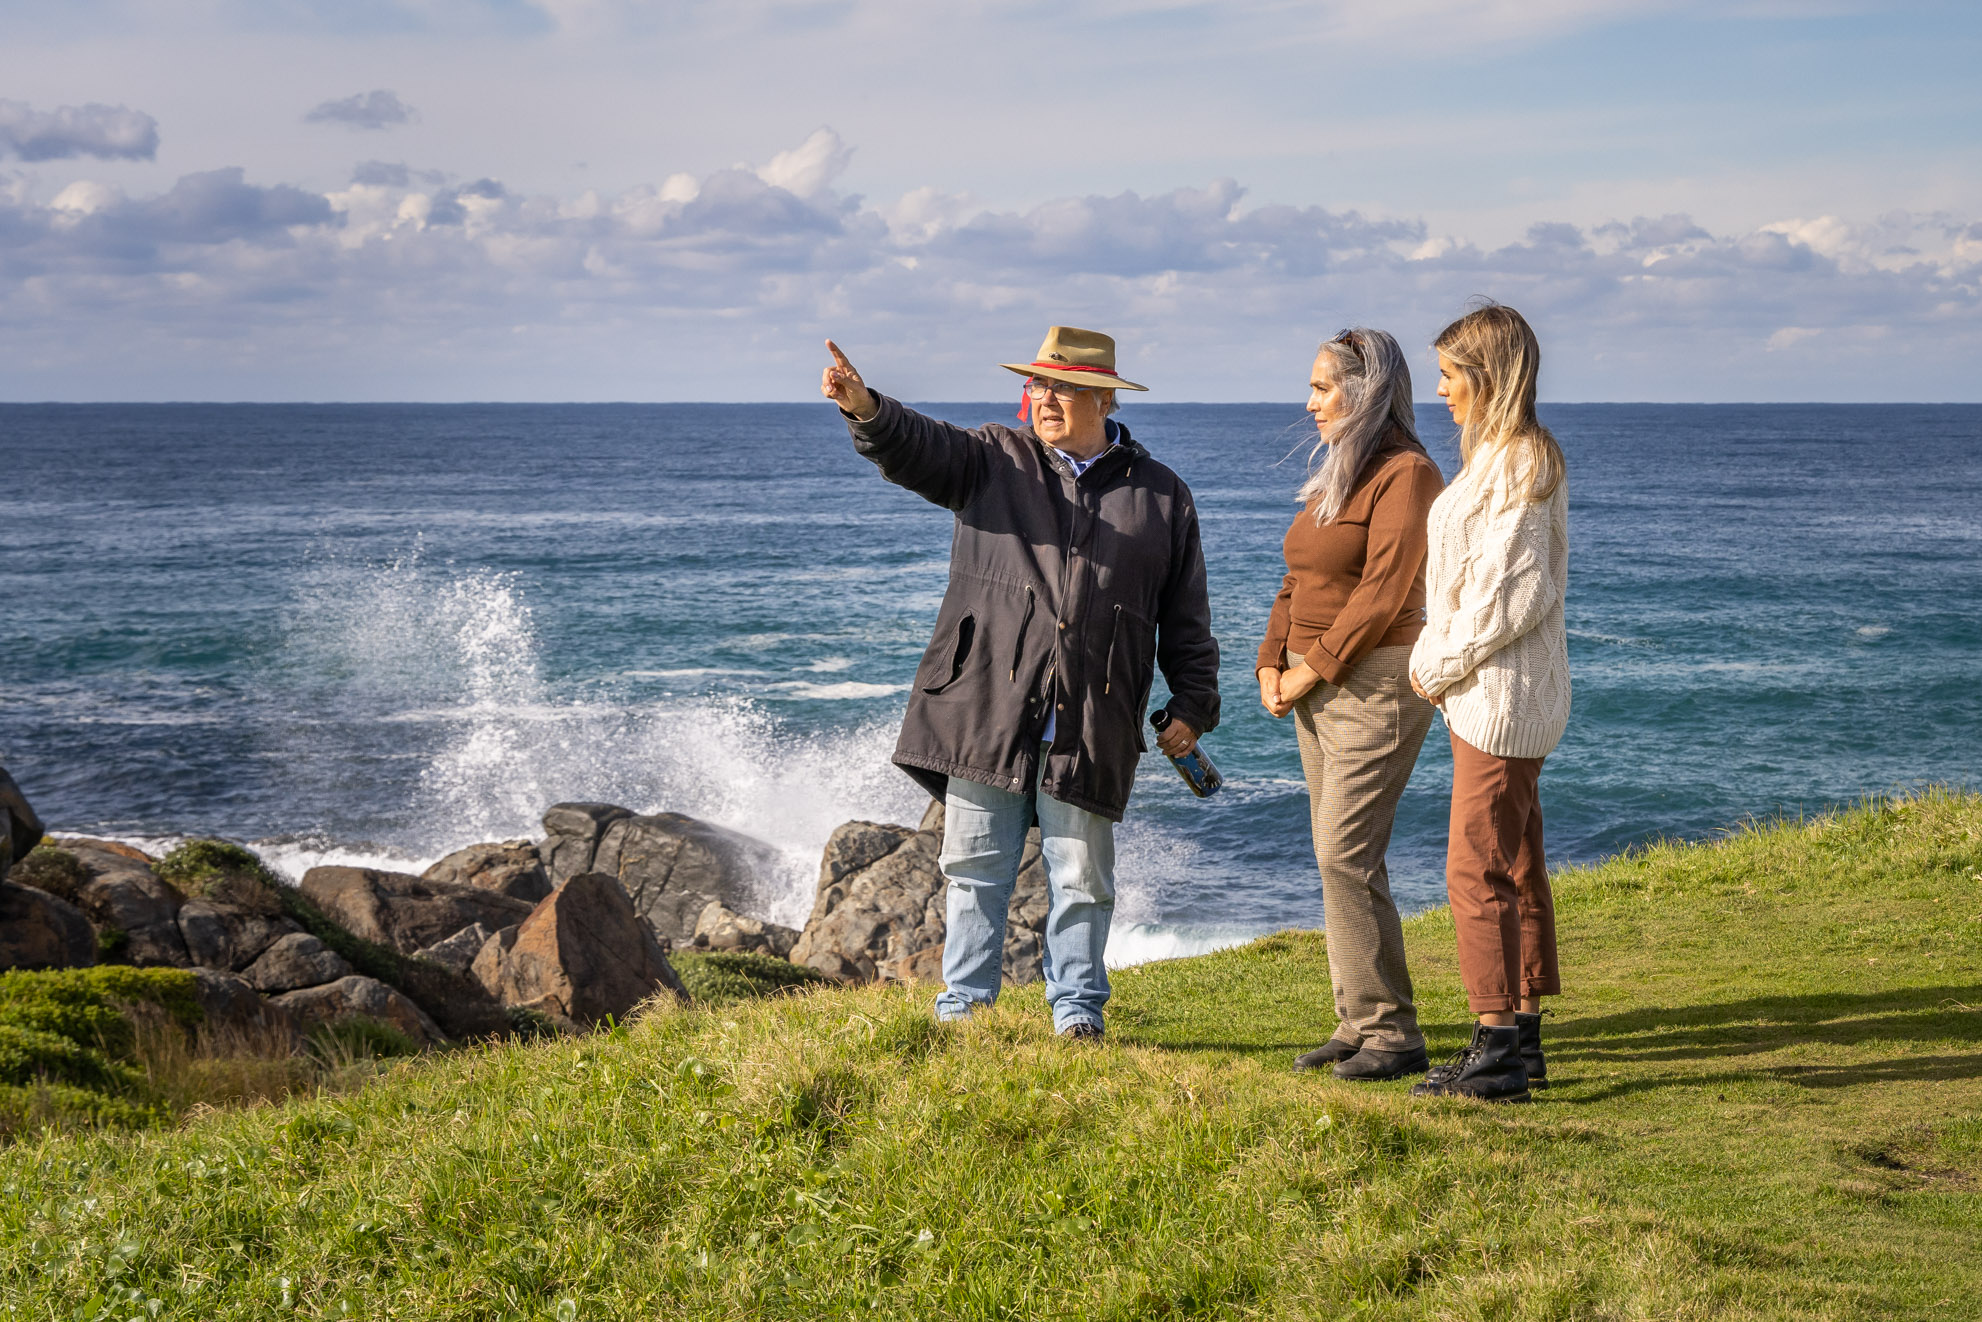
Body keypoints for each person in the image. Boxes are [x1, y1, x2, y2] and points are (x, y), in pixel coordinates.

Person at [819, 327, 1221, 1039]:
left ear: (1103, 396)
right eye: (1039, 385)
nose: (1046, 398)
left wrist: (1192, 702)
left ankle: (1077, 1016)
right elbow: (919, 446)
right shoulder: (993, 461)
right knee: (975, 871)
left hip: (1093, 722)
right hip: (986, 707)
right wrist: (867, 409)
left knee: (1083, 880)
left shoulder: (1162, 497)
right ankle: (963, 1012)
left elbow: (1185, 618)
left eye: (1062, 386)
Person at [1259, 328, 1445, 1082]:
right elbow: (1296, 579)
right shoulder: (1343, 470)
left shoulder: (1409, 473)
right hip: (1314, 680)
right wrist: (1271, 659)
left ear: (1364, 392)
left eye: (1322, 388)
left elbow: (1385, 591)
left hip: (1374, 682)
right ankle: (1359, 1021)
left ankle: (1393, 1035)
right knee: (1339, 858)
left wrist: (1313, 672)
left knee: (1345, 853)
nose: (1309, 404)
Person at [1407, 303, 1571, 1103]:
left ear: (1487, 376)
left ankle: (1496, 1043)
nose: (1439, 391)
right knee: (1515, 859)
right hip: (1497, 693)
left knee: (1477, 867)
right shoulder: (1505, 459)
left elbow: (1513, 593)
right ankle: (1521, 1034)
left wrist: (1435, 660)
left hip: (1497, 696)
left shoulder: (1519, 464)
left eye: (1449, 375)